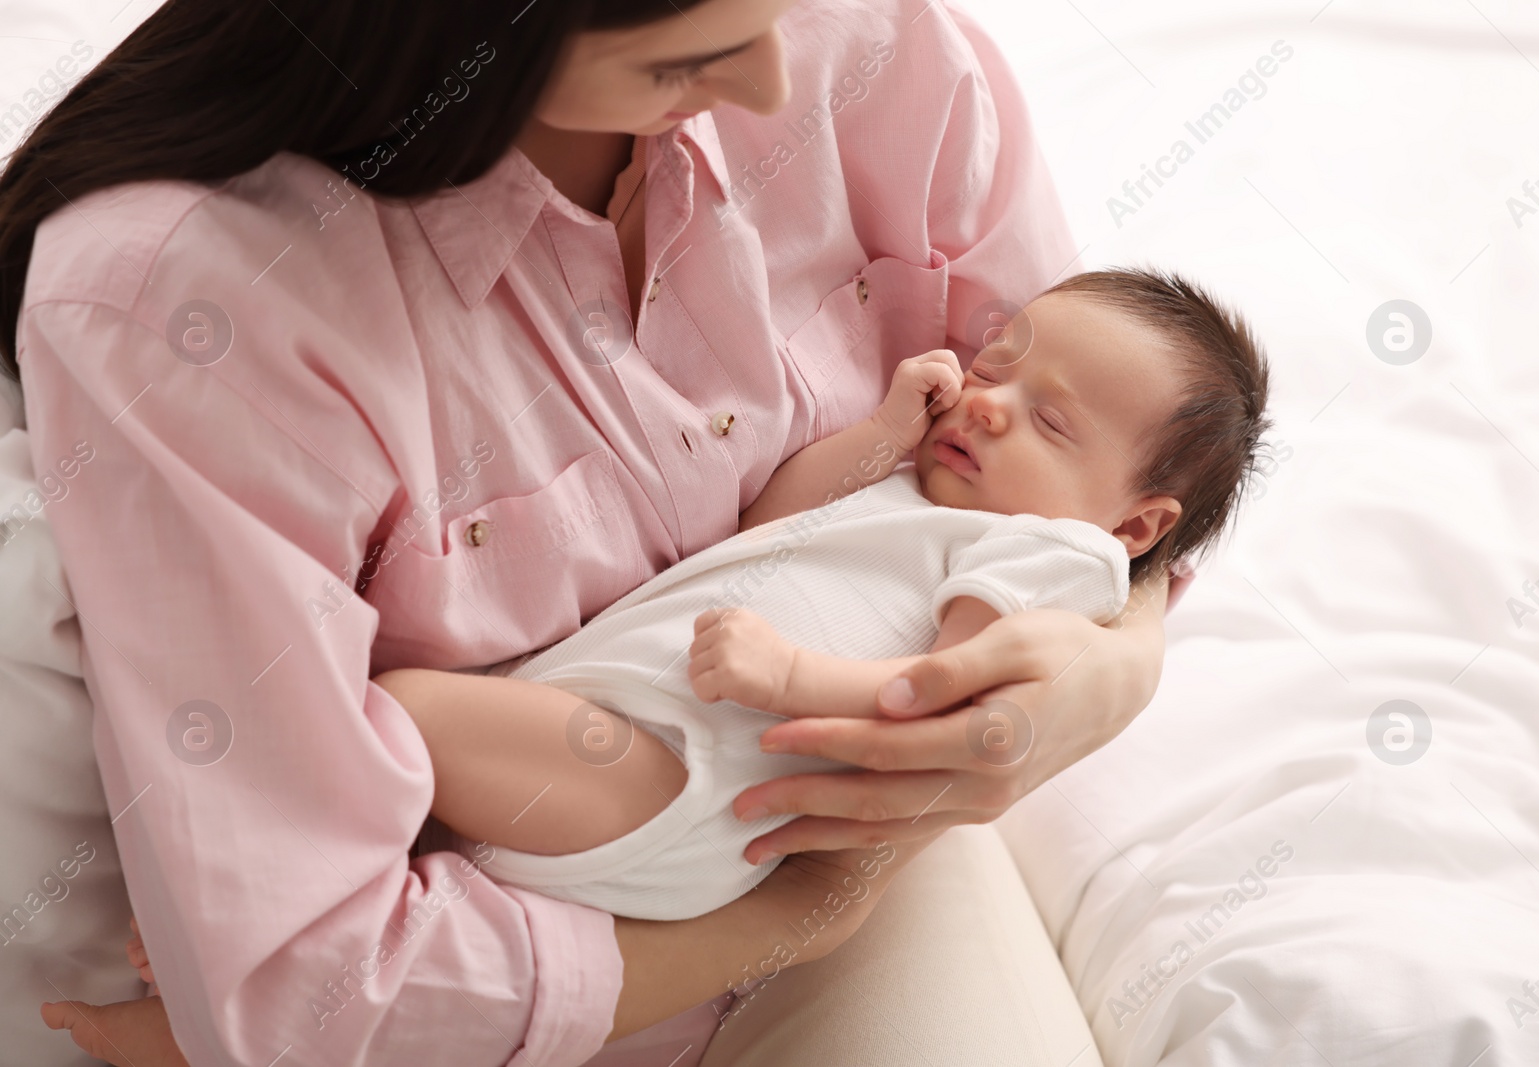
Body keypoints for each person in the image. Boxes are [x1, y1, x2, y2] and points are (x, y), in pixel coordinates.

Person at [3, 0, 1174, 1063]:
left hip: (876, 851)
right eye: (688, 50)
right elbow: (314, 995)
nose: (772, 78)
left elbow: (1132, 451)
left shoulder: (873, 47)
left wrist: (1111, 669)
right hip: (602, 955)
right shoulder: (188, 307)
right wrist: (806, 901)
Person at [370, 269, 1267, 922]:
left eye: (1052, 421)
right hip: (620, 724)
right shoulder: (927, 496)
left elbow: (938, 691)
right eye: (994, 371)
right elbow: (768, 522)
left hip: (679, 773)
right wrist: (885, 432)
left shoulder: (1055, 553)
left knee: (400, 714)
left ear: (1137, 528)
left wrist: (788, 673)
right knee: (407, 803)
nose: (990, 405)